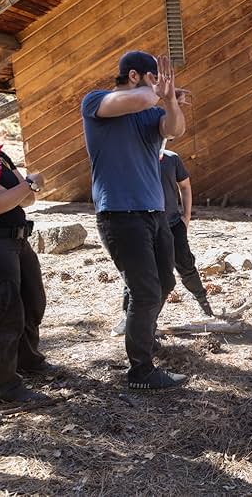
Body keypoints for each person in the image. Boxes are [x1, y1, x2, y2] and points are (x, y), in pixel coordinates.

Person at [82, 51, 189, 391]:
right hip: (119, 213)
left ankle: (142, 334)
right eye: (153, 77)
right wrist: (159, 92)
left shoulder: (151, 112)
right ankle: (140, 371)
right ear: (134, 76)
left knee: (164, 284)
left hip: (153, 213)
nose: (159, 85)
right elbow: (138, 98)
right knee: (144, 291)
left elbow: (176, 129)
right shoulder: (97, 102)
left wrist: (171, 103)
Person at [0, 100, 51, 403]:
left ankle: (27, 361)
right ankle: (2, 386)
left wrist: (23, 189)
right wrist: (28, 185)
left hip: (18, 238)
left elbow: (26, 201)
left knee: (33, 301)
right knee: (3, 313)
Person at [111, 146, 215, 337]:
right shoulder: (133, 157)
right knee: (138, 273)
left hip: (173, 225)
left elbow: (185, 186)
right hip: (143, 227)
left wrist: (187, 216)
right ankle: (129, 318)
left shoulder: (171, 159)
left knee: (186, 266)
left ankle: (204, 304)